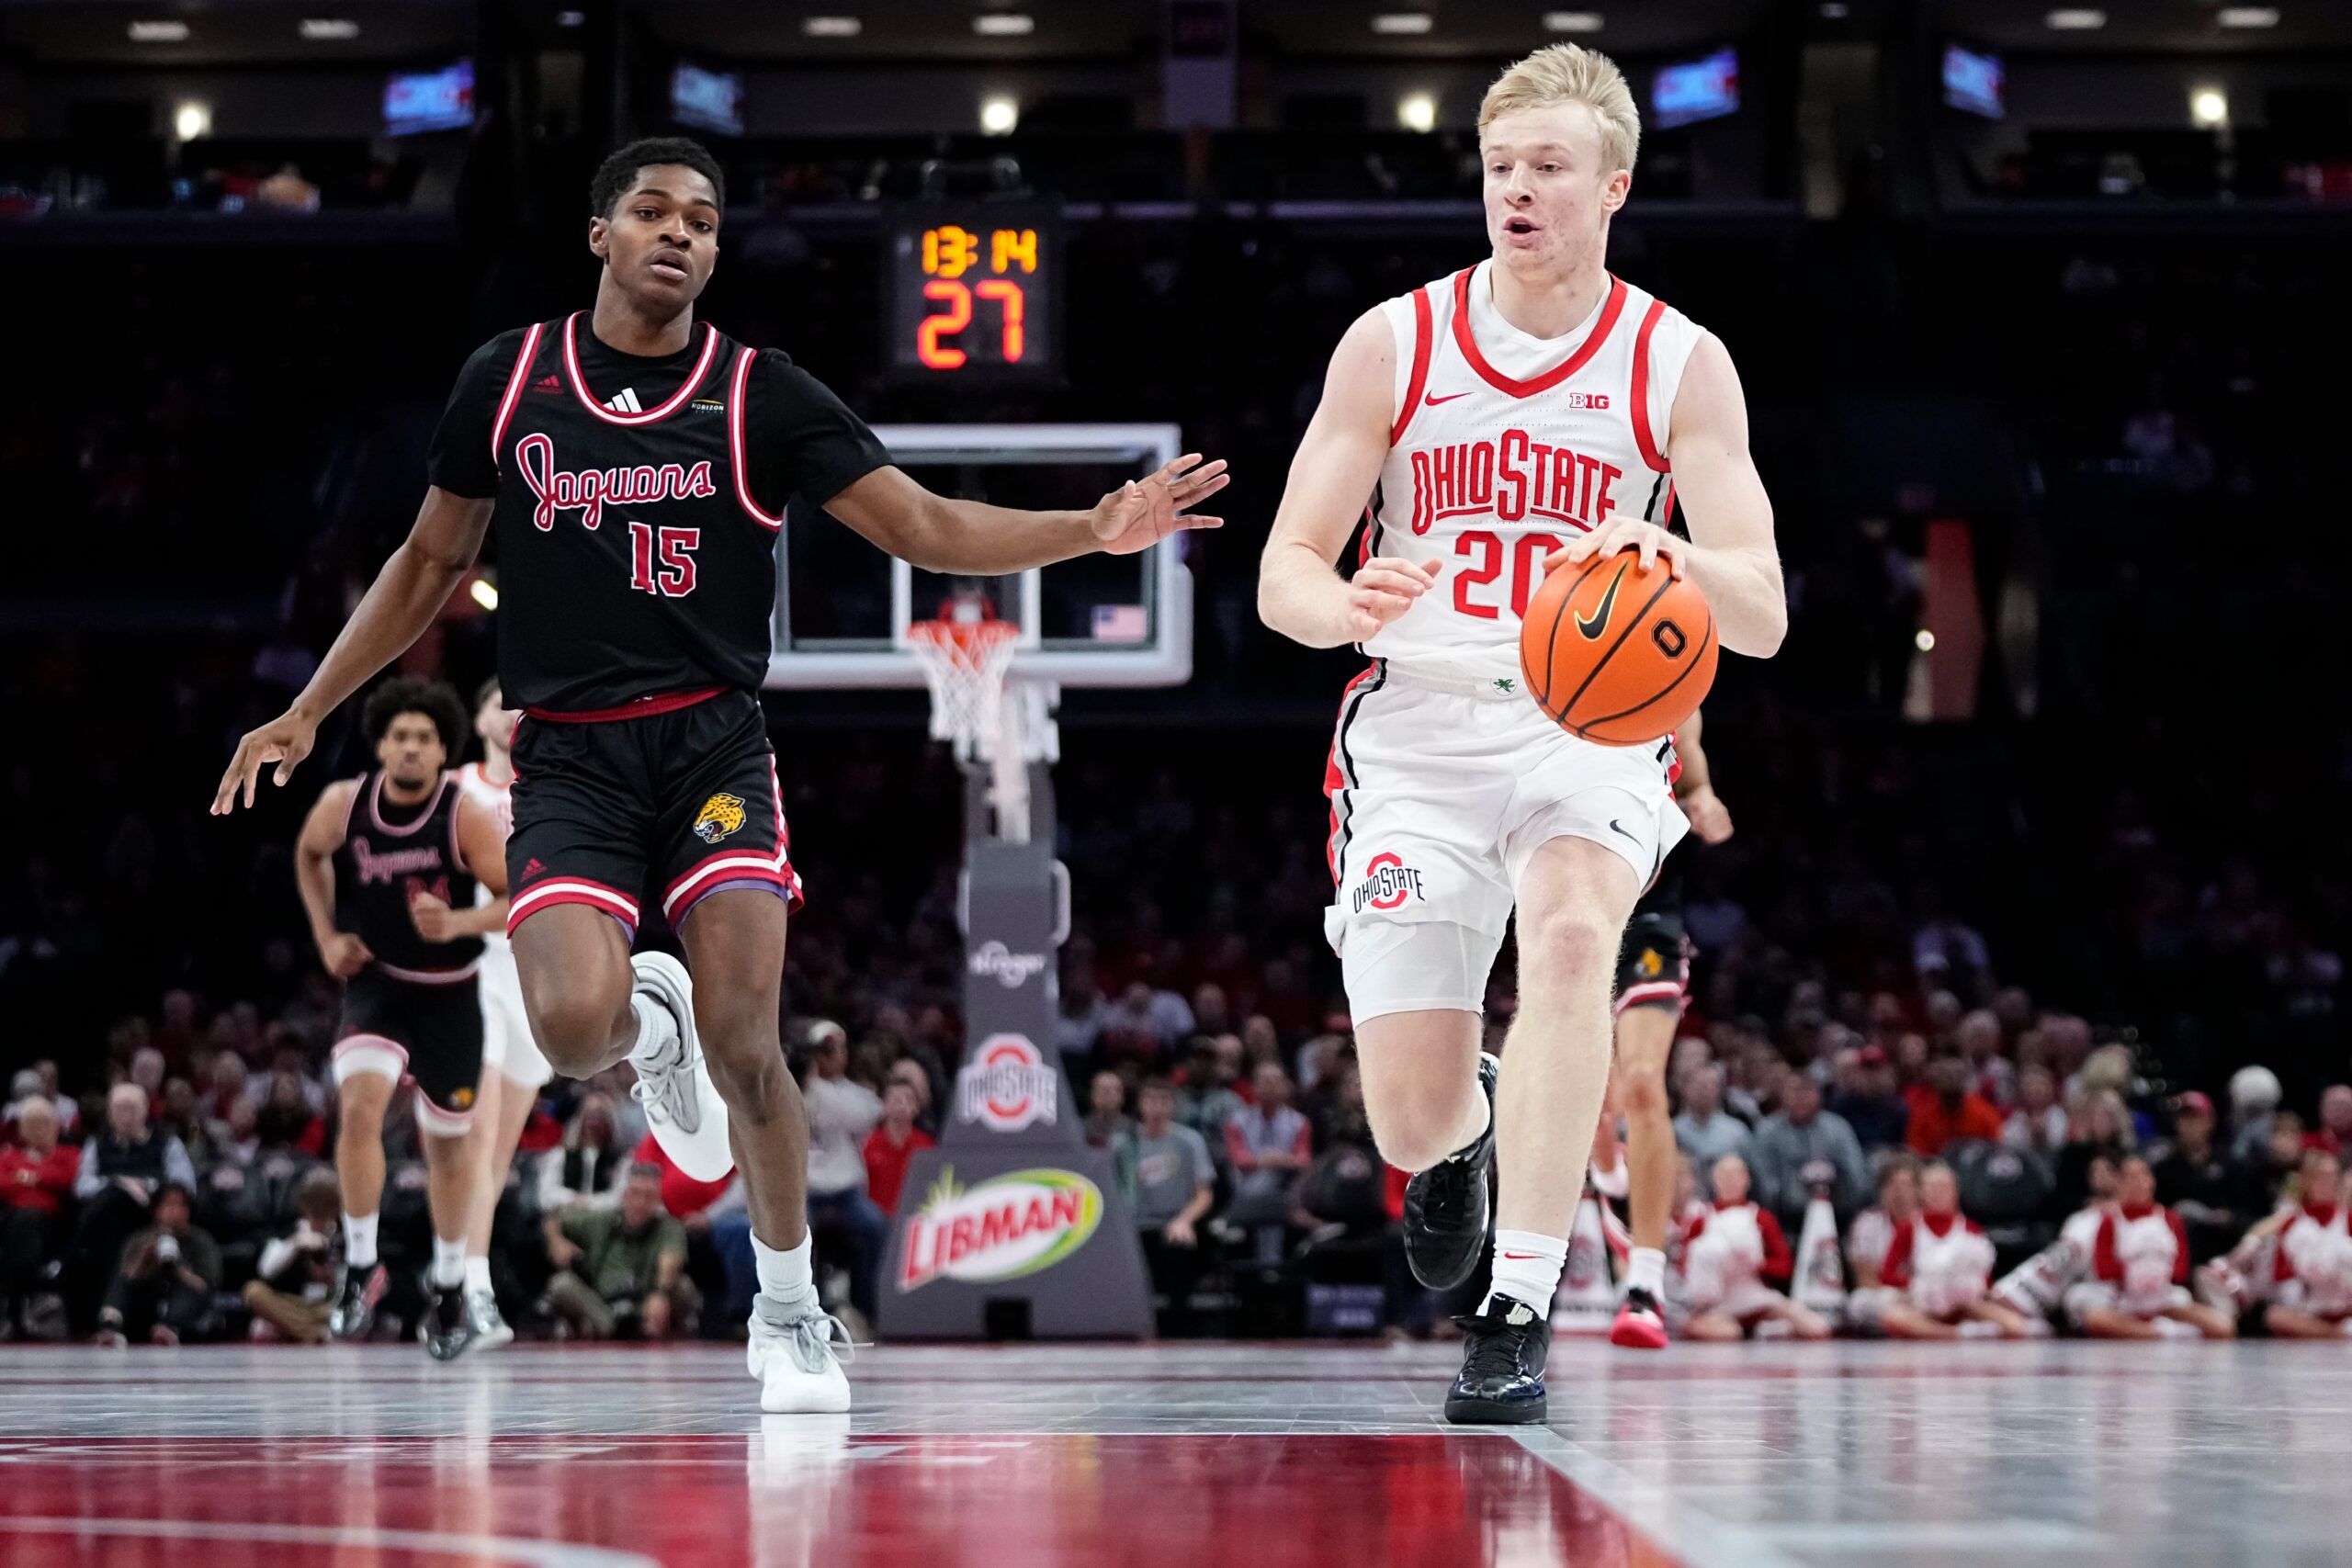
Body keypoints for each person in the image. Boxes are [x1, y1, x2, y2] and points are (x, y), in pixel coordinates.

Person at [215, 135, 1225, 1412]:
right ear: (601, 234)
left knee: (755, 1043)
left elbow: (922, 523)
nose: (682, 231)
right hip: (569, 754)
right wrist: (309, 709)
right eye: (652, 210)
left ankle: (792, 1311)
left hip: (712, 747)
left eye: (702, 216)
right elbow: (424, 565)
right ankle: (652, 1025)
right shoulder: (510, 376)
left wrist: (1091, 527)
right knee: (575, 1028)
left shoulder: (763, 393)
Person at [1257, 39, 1784, 1423]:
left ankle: (1519, 1305)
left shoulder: (1679, 361)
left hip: (1589, 728)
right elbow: (1284, 574)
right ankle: (1470, 1134)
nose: (1519, 192)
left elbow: (1768, 609)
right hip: (1418, 728)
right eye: (1501, 168)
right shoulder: (1397, 340)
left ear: (1613, 183)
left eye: (1549, 168)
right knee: (1407, 1115)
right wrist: (1343, 600)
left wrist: (1667, 562)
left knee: (1567, 938)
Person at [292, 676, 507, 1359]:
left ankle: (448, 1286)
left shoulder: (464, 812)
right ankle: (360, 1264)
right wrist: (327, 936)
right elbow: (308, 854)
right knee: (358, 1108)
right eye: (400, 736)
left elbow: (518, 896)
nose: (411, 747)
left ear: (444, 749)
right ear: (380, 743)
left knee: (447, 1149)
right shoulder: (343, 804)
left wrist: (459, 921)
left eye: (424, 737)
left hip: (450, 993)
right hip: (378, 985)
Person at [1592, 705, 1734, 1349]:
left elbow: (1695, 778)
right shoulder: (1543, 663)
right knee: (1597, 1108)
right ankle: (1608, 1171)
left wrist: (1703, 802)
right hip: (1575, 914)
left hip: (1651, 920)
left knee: (1645, 1083)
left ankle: (1643, 1283)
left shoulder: (1674, 685)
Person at [447, 675, 550, 1354]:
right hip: (474, 967)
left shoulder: (551, 789)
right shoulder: (456, 789)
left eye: (519, 703)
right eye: (497, 701)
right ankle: (468, 1287)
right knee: (477, 1138)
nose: (508, 712)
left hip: (533, 975)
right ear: (480, 716)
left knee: (499, 1152)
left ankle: (459, 1277)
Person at [2063, 1155, 2235, 1340]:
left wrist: (2158, 1273)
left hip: (2163, 1298)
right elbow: (2102, 1267)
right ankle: (2160, 1332)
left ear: (2151, 1181)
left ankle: (2151, 1329)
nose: (2137, 1183)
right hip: (2124, 1300)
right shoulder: (2110, 1220)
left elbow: (2181, 1267)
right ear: (2120, 1184)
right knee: (2095, 1319)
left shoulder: (2169, 1218)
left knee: (2224, 1327)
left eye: (2142, 1176)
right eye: (2130, 1177)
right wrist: (2132, 1272)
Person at [1677, 1154, 1831, 1343]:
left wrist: (1758, 1264)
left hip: (1753, 1295)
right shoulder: (1701, 1220)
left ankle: (1763, 1326)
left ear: (1746, 1180)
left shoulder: (1762, 1218)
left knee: (1815, 1327)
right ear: (1714, 1180)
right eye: (1724, 1175)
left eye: (1735, 1175)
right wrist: (1709, 1268)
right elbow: (1684, 1268)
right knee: (1726, 1334)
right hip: (1719, 1301)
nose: (1730, 1181)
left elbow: (1785, 1267)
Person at [1873, 1162, 2033, 1340]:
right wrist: (1923, 1286)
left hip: (1964, 1305)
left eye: (1942, 1187)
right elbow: (1886, 1274)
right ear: (1921, 1192)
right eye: (1931, 1187)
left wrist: (1963, 1290)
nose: (1937, 1193)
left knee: (2015, 1324)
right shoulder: (1909, 1228)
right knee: (1893, 1316)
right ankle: (1954, 1333)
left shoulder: (1971, 1229)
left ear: (1955, 1192)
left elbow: (1985, 1279)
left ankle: (1962, 1328)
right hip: (1922, 1303)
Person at [800, 1021, 888, 1327]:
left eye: (837, 1048)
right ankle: (806, 1312)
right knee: (794, 1237)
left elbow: (865, 1116)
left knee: (874, 1225)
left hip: (846, 1192)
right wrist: (806, 1081)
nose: (832, 1055)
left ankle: (868, 1311)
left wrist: (815, 1082)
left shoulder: (855, 1094)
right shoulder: (794, 1090)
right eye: (824, 1049)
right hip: (806, 1191)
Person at [544, 1162, 694, 1341]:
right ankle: (611, 1327)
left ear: (658, 1200)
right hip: (602, 1301)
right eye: (635, 1193)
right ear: (624, 1195)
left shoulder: (669, 1226)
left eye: (649, 1196)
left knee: (684, 1287)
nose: (641, 1203)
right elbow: (553, 1221)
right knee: (561, 1284)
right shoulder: (600, 1220)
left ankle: (649, 1324)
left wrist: (660, 1293)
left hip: (647, 1299)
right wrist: (557, 1241)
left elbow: (672, 1257)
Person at [1114, 1078, 1216, 1337]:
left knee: (1179, 1250)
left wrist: (1184, 1221)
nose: (1157, 1108)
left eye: (1163, 1101)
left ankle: (1175, 1331)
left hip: (1175, 1222)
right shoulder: (1124, 1145)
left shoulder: (1190, 1141)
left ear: (1172, 1106)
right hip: (1135, 1225)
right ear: (1140, 1105)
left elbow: (1204, 1194)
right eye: (1151, 1101)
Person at [94, 1183, 220, 1347]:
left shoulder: (201, 1240)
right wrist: (146, 1260)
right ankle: (110, 1326)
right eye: (169, 1205)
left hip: (182, 1303)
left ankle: (168, 1329)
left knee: (190, 1294)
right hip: (146, 1300)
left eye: (180, 1205)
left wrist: (176, 1266)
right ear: (157, 1210)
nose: (175, 1211)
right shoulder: (139, 1238)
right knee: (120, 1280)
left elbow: (206, 1285)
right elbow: (126, 1276)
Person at [1, 1099, 77, 1337]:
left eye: (44, 1124)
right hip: (12, 1222)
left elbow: (66, 1180)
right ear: (22, 1129)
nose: (38, 1130)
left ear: (56, 1127)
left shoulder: (68, 1153)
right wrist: (38, 1179)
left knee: (30, 1219)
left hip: (56, 1223)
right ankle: (28, 1297)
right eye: (32, 1124)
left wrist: (28, 1176)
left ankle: (15, 1306)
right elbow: (3, 1185)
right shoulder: (9, 1156)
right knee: (23, 1222)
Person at [242, 1168, 345, 1345]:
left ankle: (289, 1329)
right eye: (314, 1207)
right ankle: (311, 1332)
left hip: (326, 1307)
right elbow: (265, 1270)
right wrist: (295, 1245)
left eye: (326, 1208)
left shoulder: (343, 1238)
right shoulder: (289, 1232)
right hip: (293, 1303)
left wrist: (332, 1273)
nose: (319, 1213)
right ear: (304, 1207)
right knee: (253, 1291)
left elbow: (350, 1287)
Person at [2263, 1149, 2352, 1339]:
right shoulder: (2292, 1222)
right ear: (2306, 1180)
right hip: (2310, 1312)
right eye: (2321, 1177)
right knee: (2275, 1315)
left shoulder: (2348, 1218)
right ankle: (2337, 1335)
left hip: (2346, 1308)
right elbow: (2280, 1278)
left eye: (2332, 1176)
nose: (2328, 1183)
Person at [2149, 1091, 2240, 1262]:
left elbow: (2249, 1212)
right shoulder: (2163, 1168)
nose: (2189, 1125)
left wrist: (2227, 1218)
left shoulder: (2230, 1165)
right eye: (2183, 1118)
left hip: (2223, 1252)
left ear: (2210, 1121)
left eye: (2195, 1118)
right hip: (2176, 1252)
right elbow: (2152, 1210)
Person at [1904, 1055, 2004, 1157]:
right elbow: (1916, 1155)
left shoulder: (1985, 1113)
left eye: (1957, 1075)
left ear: (1965, 1080)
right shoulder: (1922, 1114)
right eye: (1946, 1075)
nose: (1951, 1079)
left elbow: (1996, 1152)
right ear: (1936, 1081)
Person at [862, 1080, 933, 1219]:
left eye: (908, 1099)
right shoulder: (869, 1143)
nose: (902, 1104)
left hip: (914, 1216)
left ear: (916, 1108)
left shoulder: (926, 1145)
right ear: (884, 1105)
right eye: (896, 1099)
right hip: (876, 1219)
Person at [1829, 1044, 1911, 1152]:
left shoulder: (1897, 1107)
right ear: (1857, 1073)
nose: (1871, 1076)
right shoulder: (1842, 1105)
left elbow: (1901, 1146)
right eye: (1866, 1070)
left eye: (1876, 1070)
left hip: (1888, 1161)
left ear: (1885, 1073)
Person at [1672, 1063, 1750, 1168]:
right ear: (1685, 1089)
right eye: (1700, 1085)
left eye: (1711, 1085)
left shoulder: (1737, 1132)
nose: (1705, 1091)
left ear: (1720, 1090)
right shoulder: (1673, 1131)